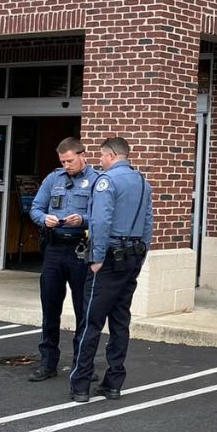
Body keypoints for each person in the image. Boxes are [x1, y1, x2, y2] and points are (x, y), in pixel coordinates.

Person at [69, 136, 152, 402]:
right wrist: (142, 254)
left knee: (91, 323)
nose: (101, 161)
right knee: (120, 321)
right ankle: (113, 383)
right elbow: (148, 221)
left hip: (109, 258)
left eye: (102, 156)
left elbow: (101, 221)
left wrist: (96, 257)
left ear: (113, 155)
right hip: (132, 257)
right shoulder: (142, 181)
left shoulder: (107, 181)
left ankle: (80, 385)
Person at [27, 137, 98, 382]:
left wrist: (83, 220)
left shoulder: (97, 180)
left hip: (80, 250)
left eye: (70, 161)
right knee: (50, 306)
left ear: (82, 155)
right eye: (63, 161)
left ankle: (83, 366)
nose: (66, 165)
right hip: (54, 249)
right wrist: (43, 218)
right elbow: (35, 208)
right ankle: (47, 363)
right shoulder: (53, 179)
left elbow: (103, 215)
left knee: (83, 310)